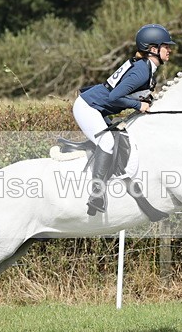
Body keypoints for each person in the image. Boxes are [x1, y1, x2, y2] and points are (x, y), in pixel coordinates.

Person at [73, 23, 175, 215]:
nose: (169, 50)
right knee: (108, 141)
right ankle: (96, 194)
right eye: (166, 46)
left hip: (99, 109)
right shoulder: (142, 70)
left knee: (121, 144)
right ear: (153, 49)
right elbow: (114, 97)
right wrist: (139, 105)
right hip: (88, 107)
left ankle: (138, 202)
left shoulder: (147, 68)